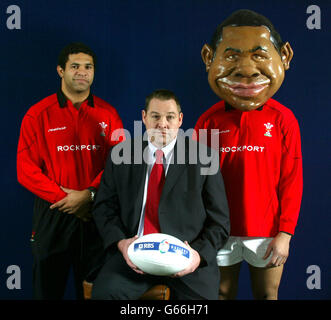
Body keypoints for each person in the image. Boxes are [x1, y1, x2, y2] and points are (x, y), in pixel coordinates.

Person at [194, 9, 303, 300]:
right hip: (220, 230)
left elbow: (292, 181)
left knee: (266, 294)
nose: (247, 69)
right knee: (222, 293)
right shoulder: (208, 122)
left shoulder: (284, 120)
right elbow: (197, 183)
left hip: (267, 232)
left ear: (285, 57)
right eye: (231, 56)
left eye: (259, 55)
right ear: (209, 58)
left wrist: (285, 235)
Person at [91, 89, 230, 300]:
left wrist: (196, 256)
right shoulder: (121, 155)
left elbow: (220, 222)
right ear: (144, 117)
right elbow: (103, 208)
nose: (162, 124)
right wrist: (121, 243)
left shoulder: (204, 158)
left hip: (187, 259)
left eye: (170, 117)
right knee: (105, 294)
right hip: (134, 256)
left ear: (180, 120)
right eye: (155, 116)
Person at [17, 42, 125, 299]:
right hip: (54, 212)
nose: (82, 72)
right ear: (60, 70)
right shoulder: (38, 114)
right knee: (47, 290)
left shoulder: (108, 114)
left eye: (88, 67)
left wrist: (89, 195)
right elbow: (25, 169)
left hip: (95, 213)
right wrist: (66, 199)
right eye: (74, 66)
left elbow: (118, 163)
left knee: (94, 292)